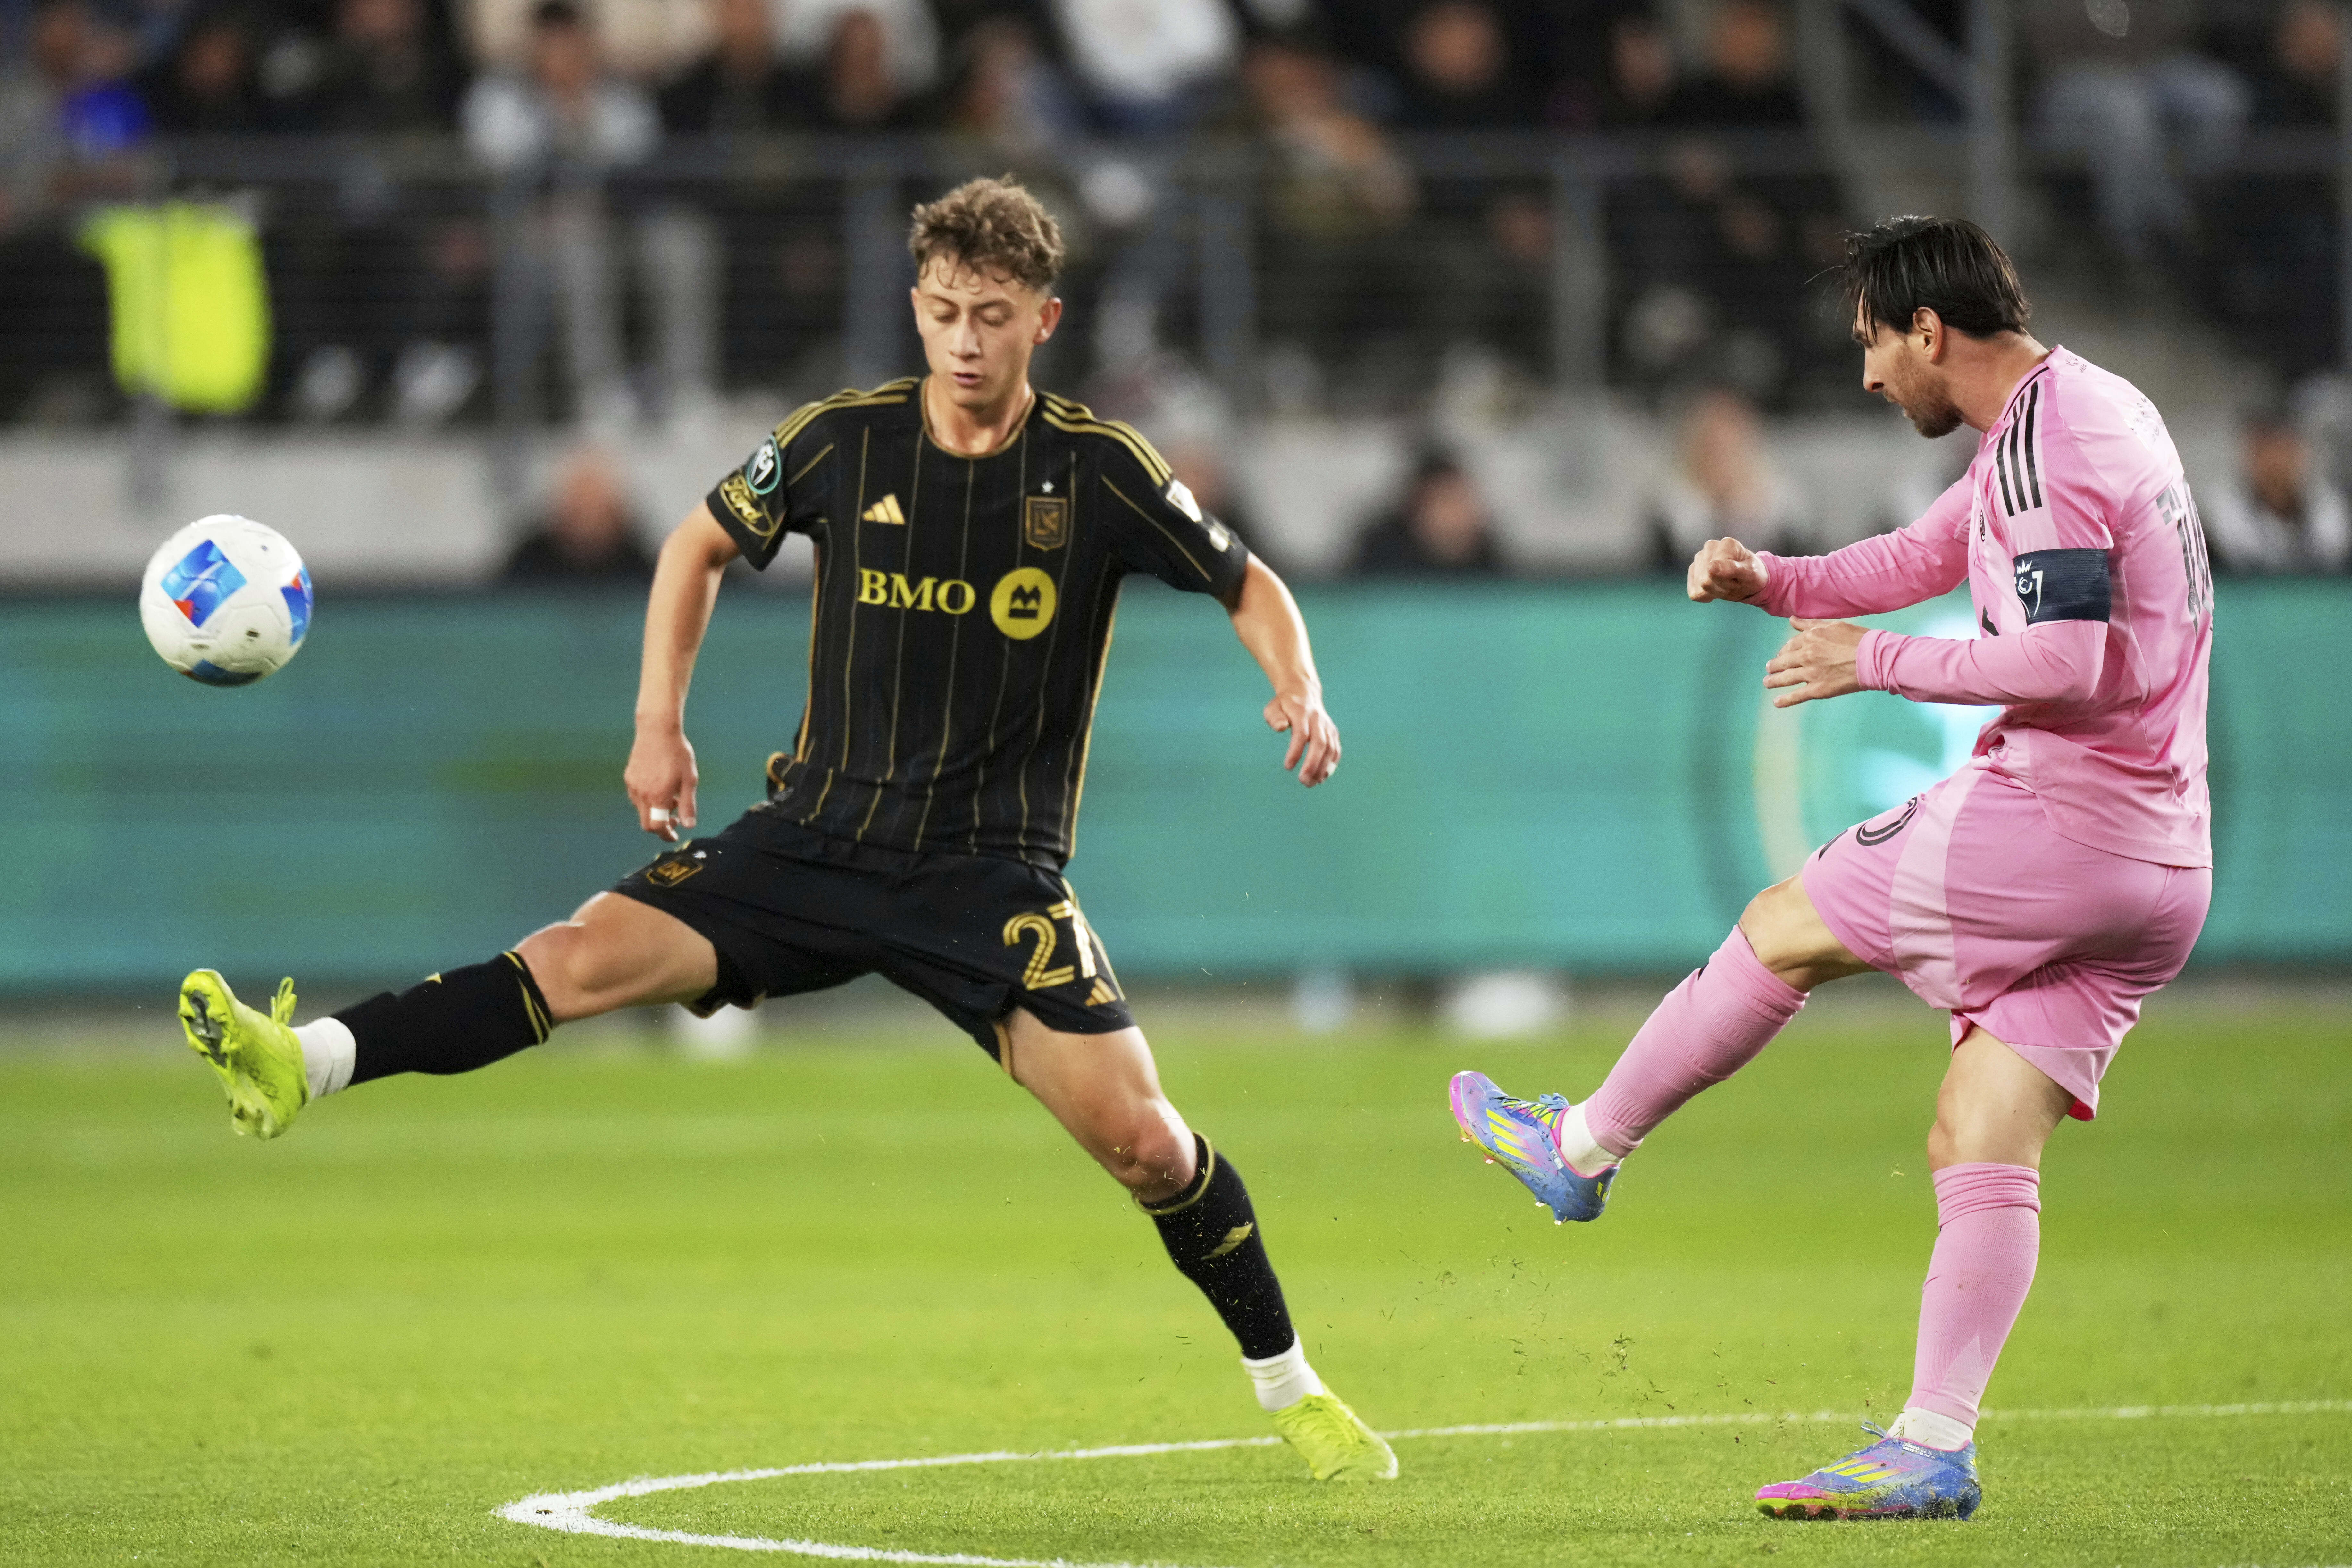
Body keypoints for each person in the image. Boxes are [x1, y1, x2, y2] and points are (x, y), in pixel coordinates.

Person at [175, 176, 1396, 1485]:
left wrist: (1298, 682)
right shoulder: (839, 442)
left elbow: (1247, 582)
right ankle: (303, 1061)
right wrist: (658, 723)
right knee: (571, 959)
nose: (965, 340)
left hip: (987, 877)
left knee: (1147, 1144)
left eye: (992, 315)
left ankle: (1291, 1385)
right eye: (944, 312)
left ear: (1044, 320)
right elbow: (692, 548)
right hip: (811, 838)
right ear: (914, 309)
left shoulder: (1099, 470)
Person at [1452, 217, 2214, 1520]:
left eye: (1872, 343)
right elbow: (1921, 555)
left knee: (1782, 924)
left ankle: (1580, 1146)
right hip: (2162, 865)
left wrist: (1874, 660)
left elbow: (2063, 660)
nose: (1865, 375)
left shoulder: (2046, 445)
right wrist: (1774, 580)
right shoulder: (2083, 409)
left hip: (2059, 823)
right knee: (1978, 1130)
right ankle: (1931, 1444)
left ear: (1929, 330)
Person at [2203, 408, 2350, 575]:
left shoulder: (2329, 509)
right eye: (2265, 453)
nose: (2276, 464)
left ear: (2301, 456)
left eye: (2285, 452)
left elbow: (2332, 555)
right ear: (2249, 458)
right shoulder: (2226, 513)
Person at [499, 443, 658, 583]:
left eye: (597, 507)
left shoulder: (641, 567)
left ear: (616, 511)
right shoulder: (528, 561)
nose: (588, 521)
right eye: (579, 505)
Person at [1348, 448, 1507, 576]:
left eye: (1461, 500)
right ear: (1417, 509)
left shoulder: (1491, 558)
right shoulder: (1383, 554)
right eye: (1444, 501)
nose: (1455, 513)